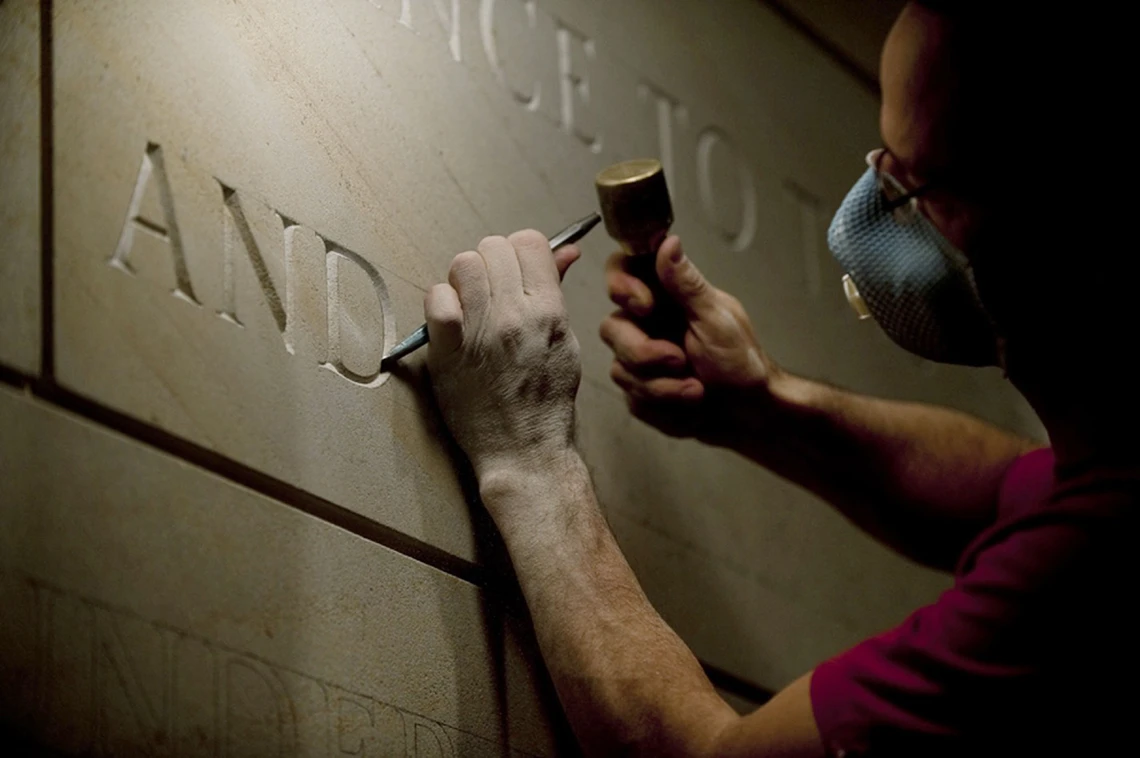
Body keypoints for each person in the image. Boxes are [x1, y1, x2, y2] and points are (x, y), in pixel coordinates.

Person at [421, 2, 1136, 755]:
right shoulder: (1106, 462)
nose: (874, 205)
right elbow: (1008, 490)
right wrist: (761, 404)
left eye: (912, 185)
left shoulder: (1078, 581)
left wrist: (529, 461)